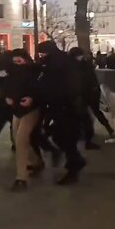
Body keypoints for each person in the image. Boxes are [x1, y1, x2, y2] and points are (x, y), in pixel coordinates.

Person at [36, 41, 86, 185]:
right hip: (63, 106)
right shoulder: (60, 60)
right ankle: (75, 162)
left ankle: (74, 168)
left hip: (65, 106)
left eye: (42, 53)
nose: (41, 56)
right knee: (60, 136)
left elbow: (61, 85)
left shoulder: (57, 63)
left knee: (65, 138)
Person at [3, 49, 42, 191]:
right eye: (15, 62)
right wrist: (7, 96)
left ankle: (21, 178)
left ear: (26, 60)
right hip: (17, 110)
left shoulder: (34, 72)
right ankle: (36, 161)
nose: (17, 65)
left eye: (20, 61)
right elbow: (4, 86)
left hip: (31, 110)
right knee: (18, 138)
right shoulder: (11, 73)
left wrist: (32, 98)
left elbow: (40, 89)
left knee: (21, 140)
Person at [69, 47, 113, 150]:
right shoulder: (84, 65)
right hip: (86, 93)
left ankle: (105, 130)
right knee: (89, 115)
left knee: (88, 114)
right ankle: (105, 130)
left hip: (86, 94)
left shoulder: (78, 65)